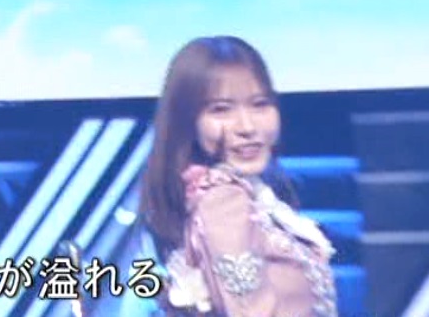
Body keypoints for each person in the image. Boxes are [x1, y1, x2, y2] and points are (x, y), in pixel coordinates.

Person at [138, 36, 337, 317]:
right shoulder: (223, 201)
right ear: (188, 121)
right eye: (221, 109)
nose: (246, 126)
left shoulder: (248, 194)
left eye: (260, 104)